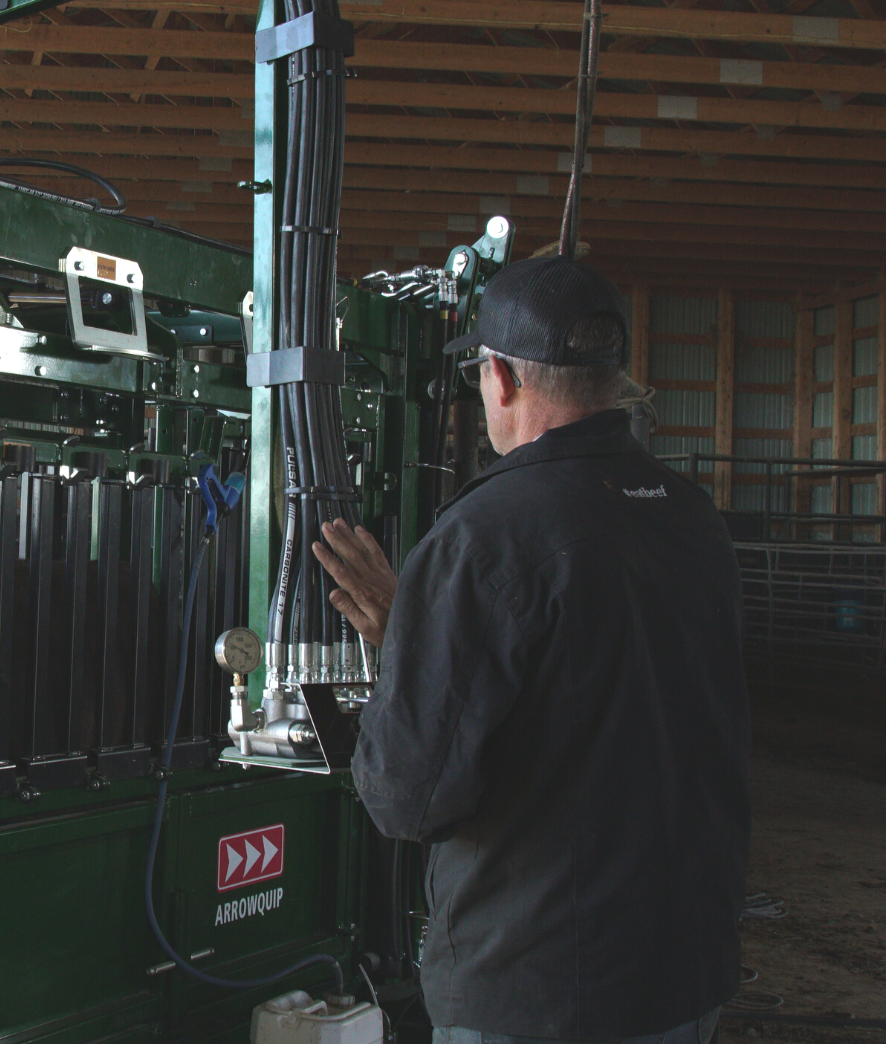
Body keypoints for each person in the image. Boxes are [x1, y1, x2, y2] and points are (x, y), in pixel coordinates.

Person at [311, 256, 750, 1043]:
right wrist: (423, 633)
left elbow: (408, 799)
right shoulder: (692, 518)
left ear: (503, 379)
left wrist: (408, 652)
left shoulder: (486, 535)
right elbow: (599, 681)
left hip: (544, 984)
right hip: (684, 969)